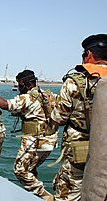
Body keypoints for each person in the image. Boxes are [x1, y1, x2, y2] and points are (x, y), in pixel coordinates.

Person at [0, 70, 58, 201]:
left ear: (28, 84)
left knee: (20, 170)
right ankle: (35, 196)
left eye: (20, 85)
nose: (18, 88)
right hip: (49, 141)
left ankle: (47, 198)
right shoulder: (48, 94)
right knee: (30, 169)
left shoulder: (27, 97)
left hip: (34, 141)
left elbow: (5, 105)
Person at [50, 34, 107, 201]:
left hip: (81, 152)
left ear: (88, 55)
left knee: (68, 194)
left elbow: (58, 119)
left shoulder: (76, 82)